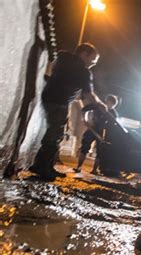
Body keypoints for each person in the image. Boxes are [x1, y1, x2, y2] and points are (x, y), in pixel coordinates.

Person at [30, 43, 106, 180]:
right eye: (92, 60)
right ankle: (42, 168)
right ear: (84, 54)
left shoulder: (62, 58)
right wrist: (100, 104)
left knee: (52, 132)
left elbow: (53, 72)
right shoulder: (84, 71)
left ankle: (43, 165)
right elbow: (89, 94)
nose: (92, 64)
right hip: (60, 102)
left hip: (47, 97)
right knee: (55, 135)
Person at [74, 94, 120, 174]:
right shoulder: (97, 106)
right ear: (107, 101)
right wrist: (84, 120)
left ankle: (94, 170)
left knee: (100, 152)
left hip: (102, 133)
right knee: (84, 148)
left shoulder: (113, 114)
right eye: (110, 104)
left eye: (113, 105)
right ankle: (78, 167)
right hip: (92, 129)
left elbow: (112, 126)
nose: (111, 106)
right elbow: (84, 109)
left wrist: (106, 136)